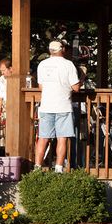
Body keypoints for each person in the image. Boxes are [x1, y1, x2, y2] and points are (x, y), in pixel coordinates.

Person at [35, 41, 80, 173]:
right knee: (62, 138)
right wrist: (81, 79)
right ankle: (59, 168)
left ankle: (37, 168)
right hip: (63, 106)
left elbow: (41, 86)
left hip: (46, 106)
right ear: (63, 50)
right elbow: (76, 87)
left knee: (43, 138)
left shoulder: (42, 65)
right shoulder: (68, 64)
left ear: (50, 50)